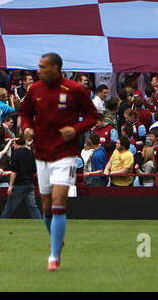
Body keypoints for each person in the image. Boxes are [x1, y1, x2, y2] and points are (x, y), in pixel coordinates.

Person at [18, 51, 99, 271]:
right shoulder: (34, 90)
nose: (38, 70)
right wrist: (26, 127)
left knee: (58, 201)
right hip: (42, 153)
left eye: (43, 67)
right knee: (46, 207)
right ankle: (57, 238)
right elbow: (25, 114)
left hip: (66, 154)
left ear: (55, 68)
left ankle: (54, 256)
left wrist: (76, 129)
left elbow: (93, 116)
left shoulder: (74, 90)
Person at [1, 130, 43, 219]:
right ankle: (39, 221)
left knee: (9, 207)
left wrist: (10, 186)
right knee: (32, 206)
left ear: (16, 142)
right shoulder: (31, 153)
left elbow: (14, 171)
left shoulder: (15, 153)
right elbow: (34, 169)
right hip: (30, 183)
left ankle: (2, 221)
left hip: (19, 184)